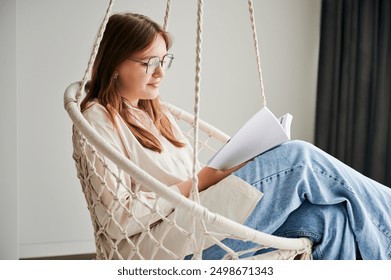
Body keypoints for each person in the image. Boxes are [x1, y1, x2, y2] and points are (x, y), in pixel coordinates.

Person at [77, 12, 391, 260]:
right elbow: (120, 216)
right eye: (150, 63)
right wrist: (204, 180)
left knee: (329, 220)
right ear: (115, 63)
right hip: (166, 244)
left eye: (164, 61)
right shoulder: (99, 118)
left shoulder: (155, 113)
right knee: (299, 158)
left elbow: (190, 179)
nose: (161, 72)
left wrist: (231, 168)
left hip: (201, 218)